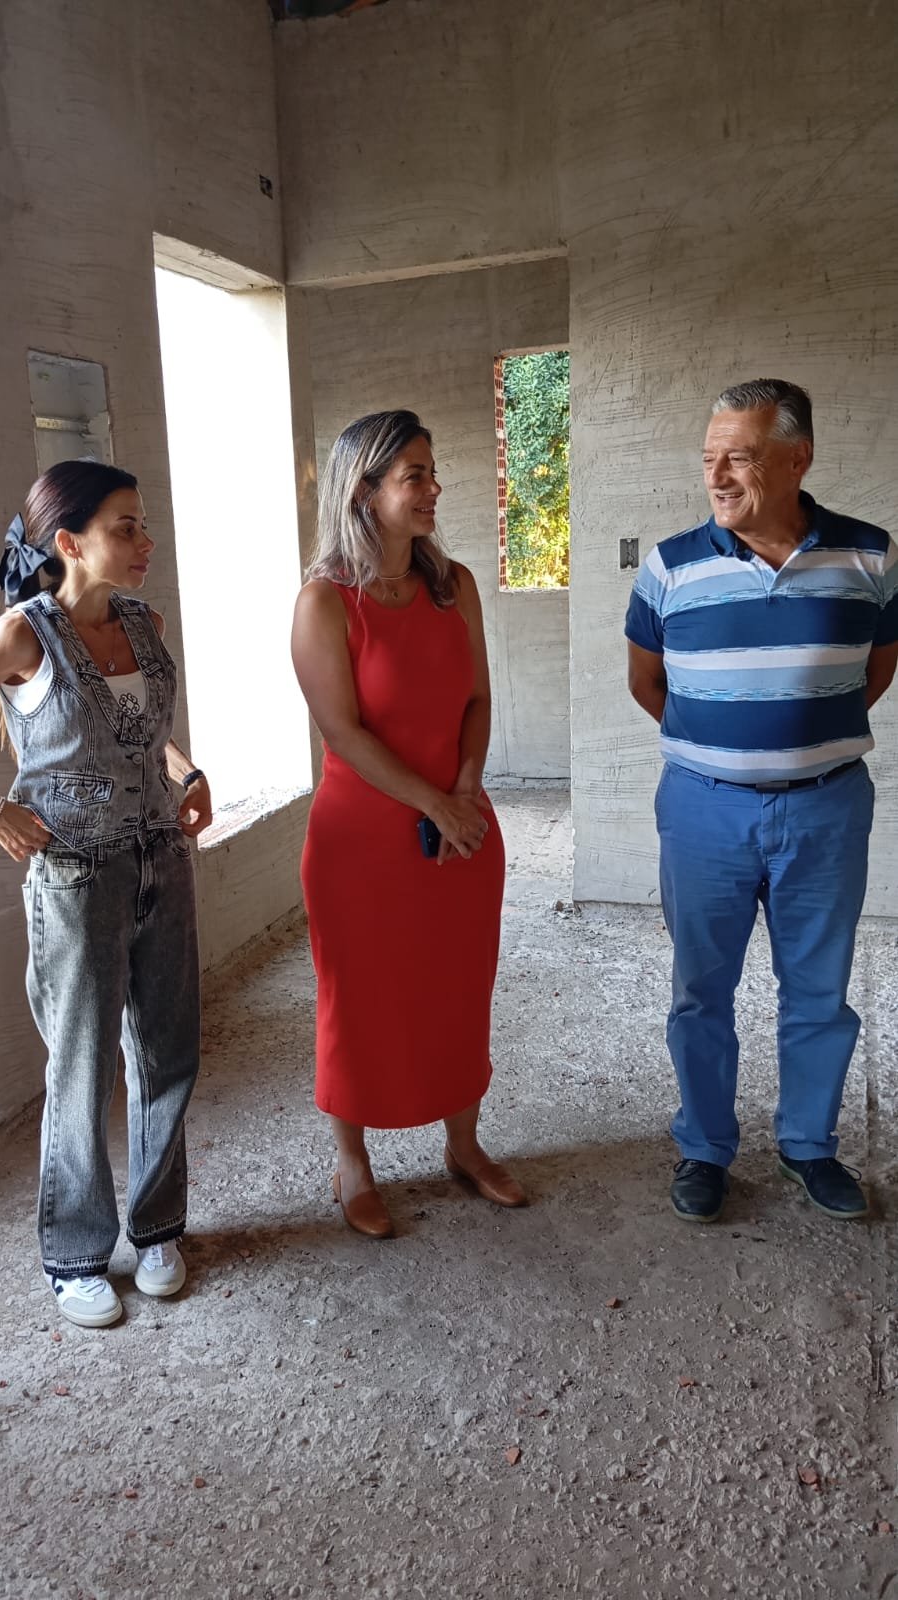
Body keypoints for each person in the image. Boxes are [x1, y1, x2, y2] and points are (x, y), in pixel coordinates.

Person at [0, 460, 210, 1328]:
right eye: (126, 527)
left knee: (168, 1052)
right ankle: (76, 1254)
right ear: (70, 542)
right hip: (77, 876)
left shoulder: (146, 624)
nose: (145, 541)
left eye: (144, 524)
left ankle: (157, 1229)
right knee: (82, 1065)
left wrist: (187, 772)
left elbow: (142, 732)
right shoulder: (24, 635)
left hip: (162, 860)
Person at [626, 378, 898, 1224]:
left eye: (738, 458)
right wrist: (726, 750)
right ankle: (705, 1149)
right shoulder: (669, 565)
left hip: (826, 810)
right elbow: (648, 683)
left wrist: (800, 738)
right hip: (703, 811)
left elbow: (874, 671)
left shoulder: (871, 556)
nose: (715, 476)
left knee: (819, 991)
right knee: (700, 991)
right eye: (709, 458)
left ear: (797, 458)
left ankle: (809, 1146)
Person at [291, 409, 525, 1239]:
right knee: (357, 1001)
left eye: (431, 472)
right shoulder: (324, 603)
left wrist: (466, 788)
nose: (433, 489)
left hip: (460, 831)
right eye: (414, 476)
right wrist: (436, 804)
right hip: (363, 844)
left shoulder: (453, 585)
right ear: (364, 492)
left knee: (459, 989)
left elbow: (478, 699)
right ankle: (352, 1164)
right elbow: (343, 733)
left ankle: (463, 1145)